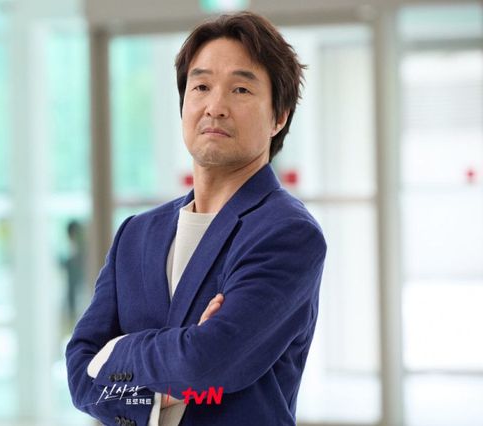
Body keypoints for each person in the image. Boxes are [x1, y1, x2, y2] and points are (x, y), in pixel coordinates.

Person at [66, 11, 326, 425]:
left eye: (241, 89)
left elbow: (207, 363)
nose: (215, 107)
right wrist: (165, 386)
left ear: (279, 116)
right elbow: (81, 374)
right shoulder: (136, 234)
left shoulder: (287, 234)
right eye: (201, 86)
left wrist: (116, 351)